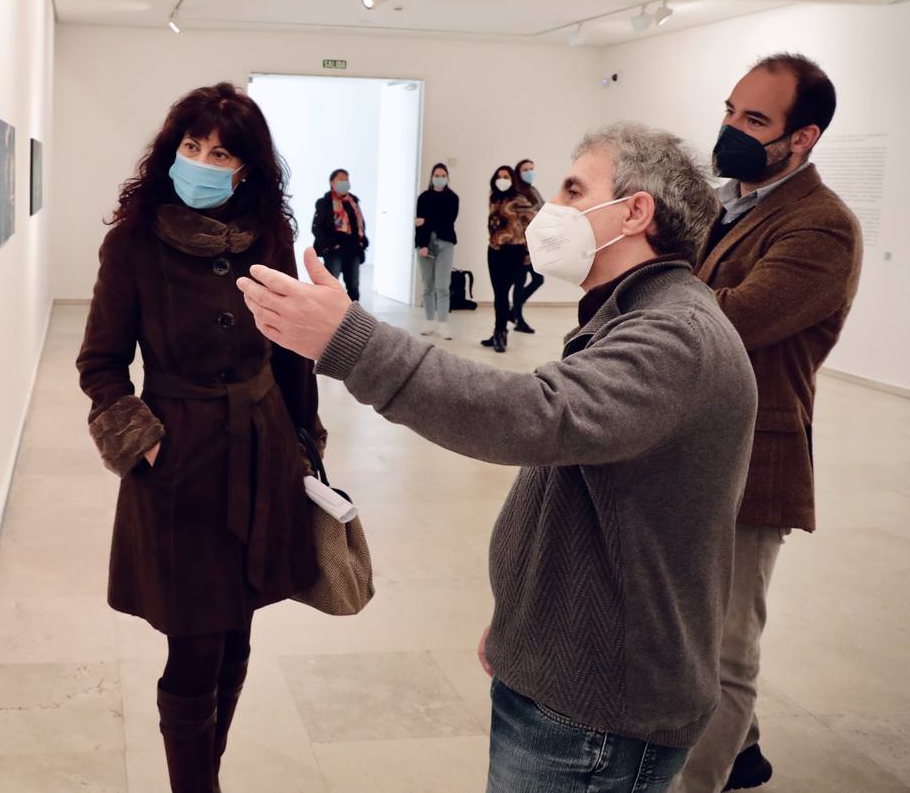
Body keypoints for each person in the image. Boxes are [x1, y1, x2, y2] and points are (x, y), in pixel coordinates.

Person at [237, 123, 758, 793]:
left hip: (598, 713)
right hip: (563, 674)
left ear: (635, 212)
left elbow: (532, 416)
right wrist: (524, 622)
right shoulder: (631, 314)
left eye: (574, 189)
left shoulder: (675, 335)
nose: (551, 209)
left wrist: (352, 342)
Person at [76, 82, 327, 793]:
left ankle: (206, 774)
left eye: (220, 152)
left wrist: (305, 442)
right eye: (191, 147)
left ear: (247, 168)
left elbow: (290, 356)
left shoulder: (271, 237)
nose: (202, 162)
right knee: (193, 647)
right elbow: (100, 364)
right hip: (178, 464)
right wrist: (144, 442)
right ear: (170, 150)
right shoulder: (133, 241)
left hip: (262, 451)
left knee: (237, 635)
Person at [673, 54, 863, 793]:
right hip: (690, 442)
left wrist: (651, 281)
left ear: (802, 137)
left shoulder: (823, 228)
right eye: (730, 111)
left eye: (755, 121)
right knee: (691, 622)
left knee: (724, 651)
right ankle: (744, 751)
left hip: (754, 458)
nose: (731, 129)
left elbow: (730, 318)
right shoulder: (722, 205)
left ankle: (698, 783)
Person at [483, 166, 531, 352]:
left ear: (512, 179)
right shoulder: (493, 198)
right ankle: (498, 331)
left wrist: (529, 252)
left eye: (506, 176)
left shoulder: (520, 200)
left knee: (503, 293)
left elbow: (531, 226)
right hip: (494, 251)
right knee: (499, 295)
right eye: (499, 176)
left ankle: (500, 333)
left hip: (515, 251)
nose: (502, 179)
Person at [415, 163, 459, 339]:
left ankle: (443, 323)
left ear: (447, 178)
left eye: (443, 175)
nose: (439, 177)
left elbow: (447, 220)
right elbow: (418, 224)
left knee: (442, 285)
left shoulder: (453, 198)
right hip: (425, 245)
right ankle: (429, 321)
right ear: (432, 177)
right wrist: (422, 244)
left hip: (445, 244)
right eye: (436, 174)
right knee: (427, 285)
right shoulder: (424, 197)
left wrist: (426, 220)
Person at [311, 169, 368, 301]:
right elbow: (317, 228)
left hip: (353, 250)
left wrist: (362, 242)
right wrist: (330, 246)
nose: (345, 183)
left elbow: (360, 224)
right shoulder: (324, 202)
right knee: (330, 287)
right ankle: (326, 316)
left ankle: (353, 317)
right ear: (332, 182)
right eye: (341, 180)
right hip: (334, 252)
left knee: (353, 287)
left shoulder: (353, 201)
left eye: (346, 180)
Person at [509, 158, 545, 334]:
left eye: (532, 168)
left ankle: (513, 312)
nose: (530, 172)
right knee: (520, 281)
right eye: (526, 169)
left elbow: (542, 212)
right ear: (518, 172)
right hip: (522, 245)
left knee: (538, 279)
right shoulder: (517, 194)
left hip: (534, 244)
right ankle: (519, 319)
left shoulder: (533, 191)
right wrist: (525, 249)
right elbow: (519, 223)